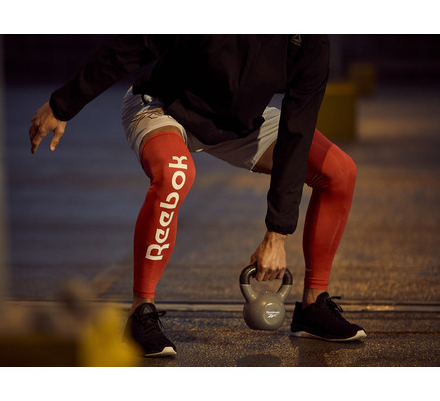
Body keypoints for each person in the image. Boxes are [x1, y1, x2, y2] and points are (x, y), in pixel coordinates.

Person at [29, 34, 366, 357]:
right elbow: (132, 46)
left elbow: (297, 133)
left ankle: (313, 306)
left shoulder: (309, 40)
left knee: (340, 172)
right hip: (163, 106)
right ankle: (140, 311)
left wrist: (277, 235)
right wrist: (62, 105)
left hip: (239, 124)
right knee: (176, 173)